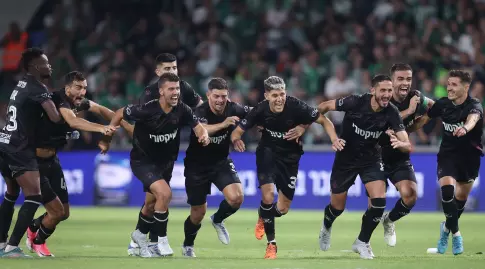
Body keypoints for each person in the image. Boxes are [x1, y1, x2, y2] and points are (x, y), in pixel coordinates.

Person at [230, 76, 341, 259]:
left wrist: (333, 139)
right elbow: (237, 131)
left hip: (290, 159)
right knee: (267, 196)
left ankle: (263, 216)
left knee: (283, 208)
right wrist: (236, 140)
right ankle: (271, 244)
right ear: (266, 96)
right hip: (267, 153)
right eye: (275, 95)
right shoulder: (260, 110)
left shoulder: (296, 106)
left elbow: (324, 121)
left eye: (282, 94)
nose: (280, 98)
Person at [19, 71, 127, 257]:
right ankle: (37, 242)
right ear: (67, 88)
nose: (83, 92)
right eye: (78, 87)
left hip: (52, 160)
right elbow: (73, 121)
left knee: (64, 213)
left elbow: (103, 110)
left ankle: (34, 225)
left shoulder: (77, 101)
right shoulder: (57, 99)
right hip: (33, 162)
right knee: (56, 211)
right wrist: (101, 128)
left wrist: (127, 125)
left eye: (85, 88)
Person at [103, 73, 210, 258]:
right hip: (143, 161)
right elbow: (120, 113)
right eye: (171, 89)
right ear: (161, 91)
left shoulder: (182, 109)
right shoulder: (147, 110)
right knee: (165, 194)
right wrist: (107, 138)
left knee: (151, 204)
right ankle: (161, 240)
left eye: (177, 89)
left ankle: (138, 235)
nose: (175, 92)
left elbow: (197, 126)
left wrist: (204, 135)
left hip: (166, 163)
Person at [317, 74, 412, 259]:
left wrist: (402, 144)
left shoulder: (391, 111)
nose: (387, 94)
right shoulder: (355, 102)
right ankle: (326, 226)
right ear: (373, 91)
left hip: (371, 159)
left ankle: (362, 242)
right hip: (345, 158)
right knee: (337, 207)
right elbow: (324, 107)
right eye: (383, 90)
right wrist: (332, 136)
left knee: (379, 202)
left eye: (389, 90)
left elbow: (405, 140)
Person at [129, 53, 203, 255]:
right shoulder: (148, 97)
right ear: (158, 72)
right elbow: (133, 123)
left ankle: (138, 239)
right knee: (162, 195)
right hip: (148, 157)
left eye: (175, 68)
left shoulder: (183, 89)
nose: (172, 72)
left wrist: (202, 127)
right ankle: (157, 241)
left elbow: (200, 108)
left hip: (168, 157)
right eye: (167, 69)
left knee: (152, 202)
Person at [409, 70, 482, 255]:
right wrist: (403, 129)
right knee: (447, 191)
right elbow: (425, 118)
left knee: (460, 199)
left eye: (454, 84)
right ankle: (455, 234)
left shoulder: (474, 105)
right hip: (447, 154)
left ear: (466, 87)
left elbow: (473, 119)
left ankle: (446, 228)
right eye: (448, 84)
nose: (449, 87)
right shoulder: (443, 104)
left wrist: (465, 128)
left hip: (469, 158)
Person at [0, 48, 63, 258]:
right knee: (34, 195)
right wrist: (70, 111)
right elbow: (55, 117)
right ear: (35, 67)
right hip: (19, 147)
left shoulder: (21, 84)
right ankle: (12, 247)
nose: (49, 65)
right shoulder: (37, 87)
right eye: (45, 63)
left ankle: (1, 243)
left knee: (11, 194)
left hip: (5, 142)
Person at [182, 78, 249, 257]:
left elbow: (255, 114)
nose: (220, 100)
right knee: (197, 214)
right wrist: (224, 124)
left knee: (237, 198)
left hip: (220, 162)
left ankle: (218, 219)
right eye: (216, 96)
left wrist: (237, 134)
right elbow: (201, 130)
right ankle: (188, 245)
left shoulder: (234, 108)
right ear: (208, 95)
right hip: (197, 166)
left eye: (224, 96)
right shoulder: (198, 111)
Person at [377, 63, 434, 247]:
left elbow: (434, 109)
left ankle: (389, 220)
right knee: (375, 203)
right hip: (375, 157)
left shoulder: (415, 97)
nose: (405, 83)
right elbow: (384, 123)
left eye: (408, 79)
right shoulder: (381, 98)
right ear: (391, 81)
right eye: (400, 79)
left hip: (398, 156)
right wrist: (409, 112)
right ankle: (364, 241)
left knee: (410, 196)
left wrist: (414, 125)